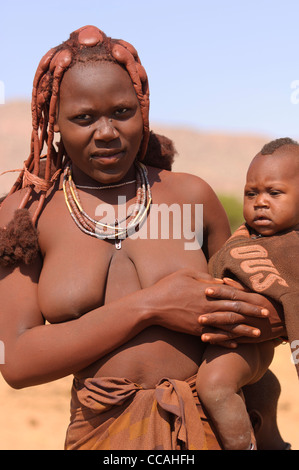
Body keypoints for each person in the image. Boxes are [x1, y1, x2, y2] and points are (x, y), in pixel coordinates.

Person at [0, 25, 285, 450]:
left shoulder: (191, 195)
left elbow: (253, 310)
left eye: (122, 112)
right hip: (100, 440)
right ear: (53, 121)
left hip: (206, 431)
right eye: (83, 118)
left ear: (143, 108)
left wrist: (267, 317)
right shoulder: (25, 215)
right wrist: (153, 305)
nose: (107, 133)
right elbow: (17, 362)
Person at [196, 137, 298, 450]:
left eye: (274, 193)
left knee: (214, 385)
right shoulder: (244, 237)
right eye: (250, 193)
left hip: (250, 343)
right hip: (228, 341)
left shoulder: (293, 247)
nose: (260, 202)